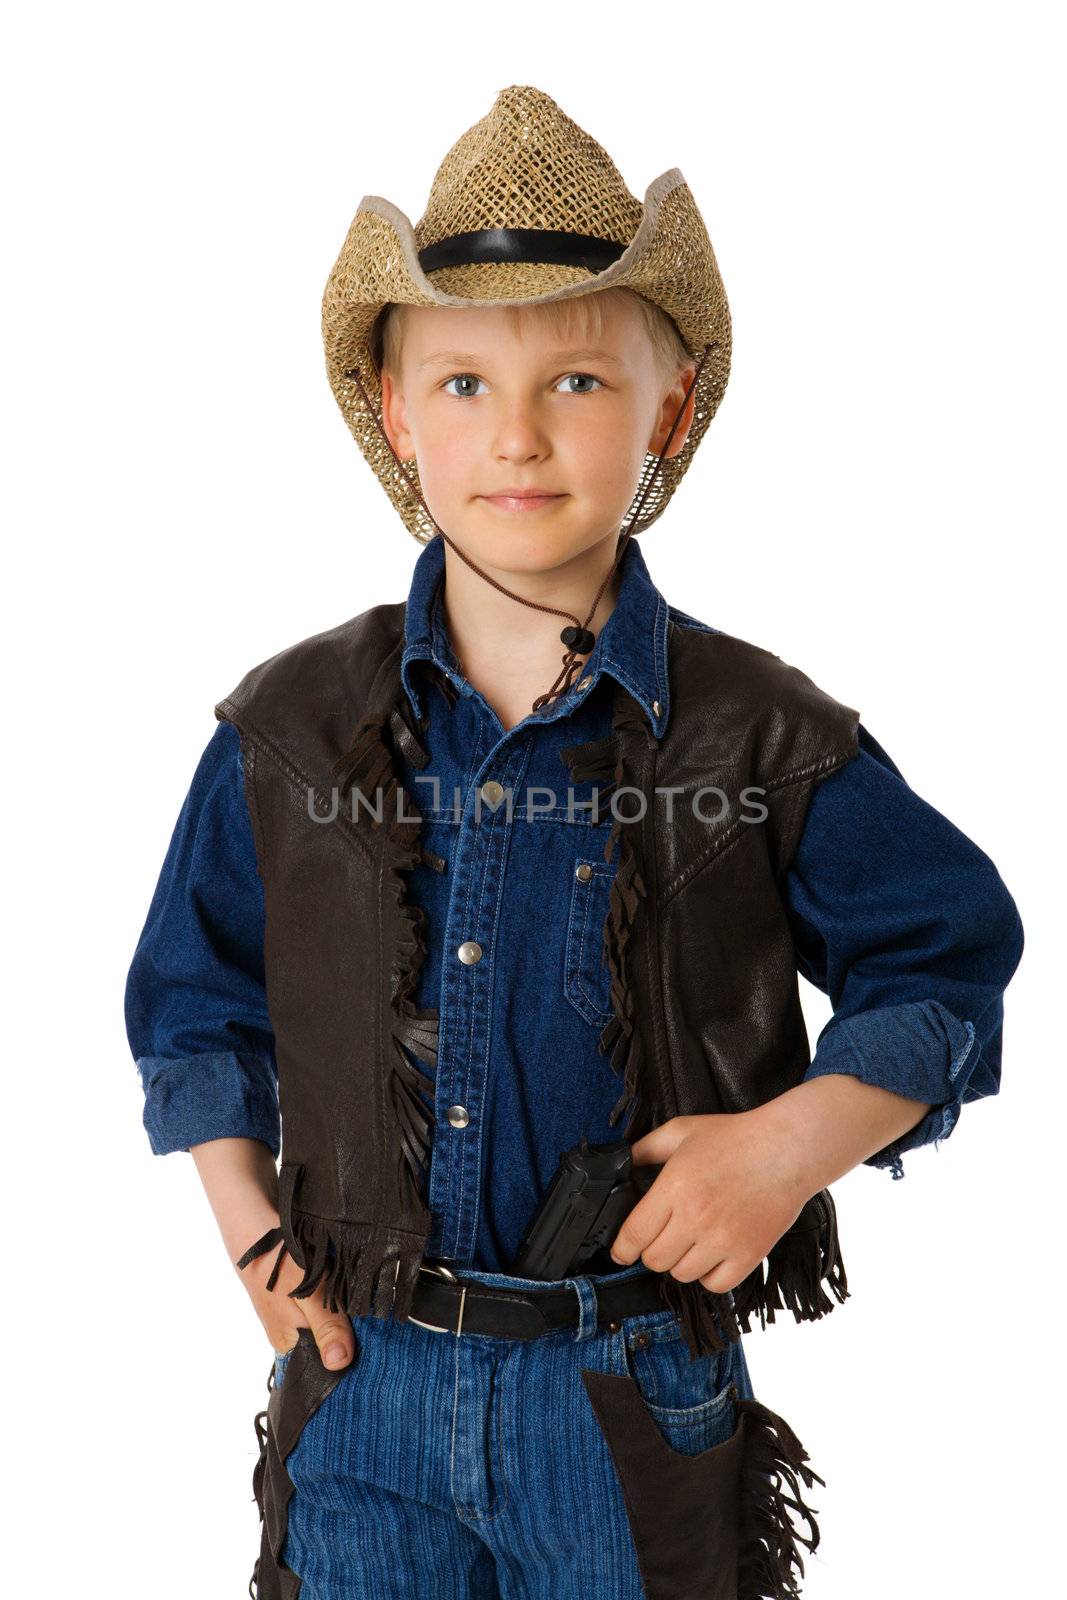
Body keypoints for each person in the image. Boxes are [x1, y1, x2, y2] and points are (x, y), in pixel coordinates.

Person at [124, 85, 1025, 1600]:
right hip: (366, 1386)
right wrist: (248, 1233)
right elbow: (194, 995)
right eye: (464, 383)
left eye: (581, 384)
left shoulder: (755, 732)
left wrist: (788, 1150)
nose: (521, 436)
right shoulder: (289, 728)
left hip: (623, 1392)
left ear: (668, 408)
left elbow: (943, 955)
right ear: (398, 413)